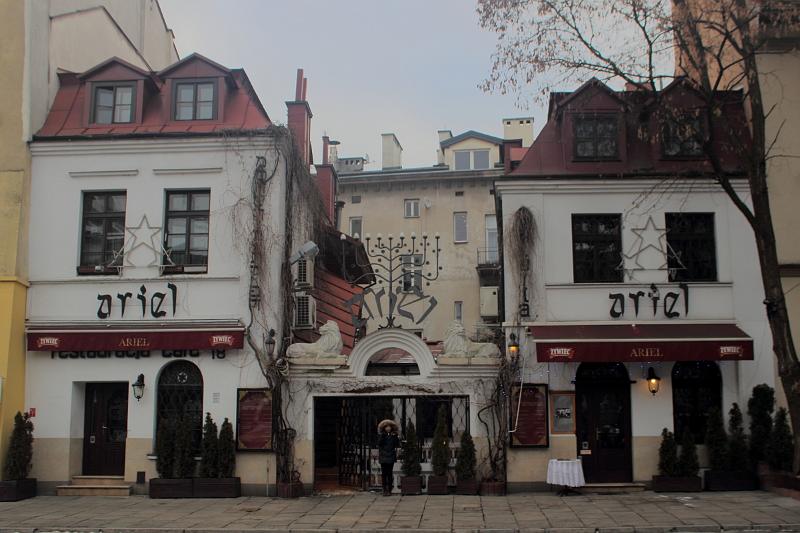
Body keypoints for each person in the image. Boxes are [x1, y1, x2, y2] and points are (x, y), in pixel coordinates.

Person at [377, 419, 400, 496]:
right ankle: (384, 489)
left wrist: (396, 436)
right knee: (384, 474)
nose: (388, 428)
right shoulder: (381, 435)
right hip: (383, 456)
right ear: (384, 428)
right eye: (386, 427)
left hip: (391, 456)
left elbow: (397, 444)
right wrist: (383, 436)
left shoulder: (393, 436)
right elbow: (379, 443)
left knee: (390, 473)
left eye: (389, 427)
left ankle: (389, 489)